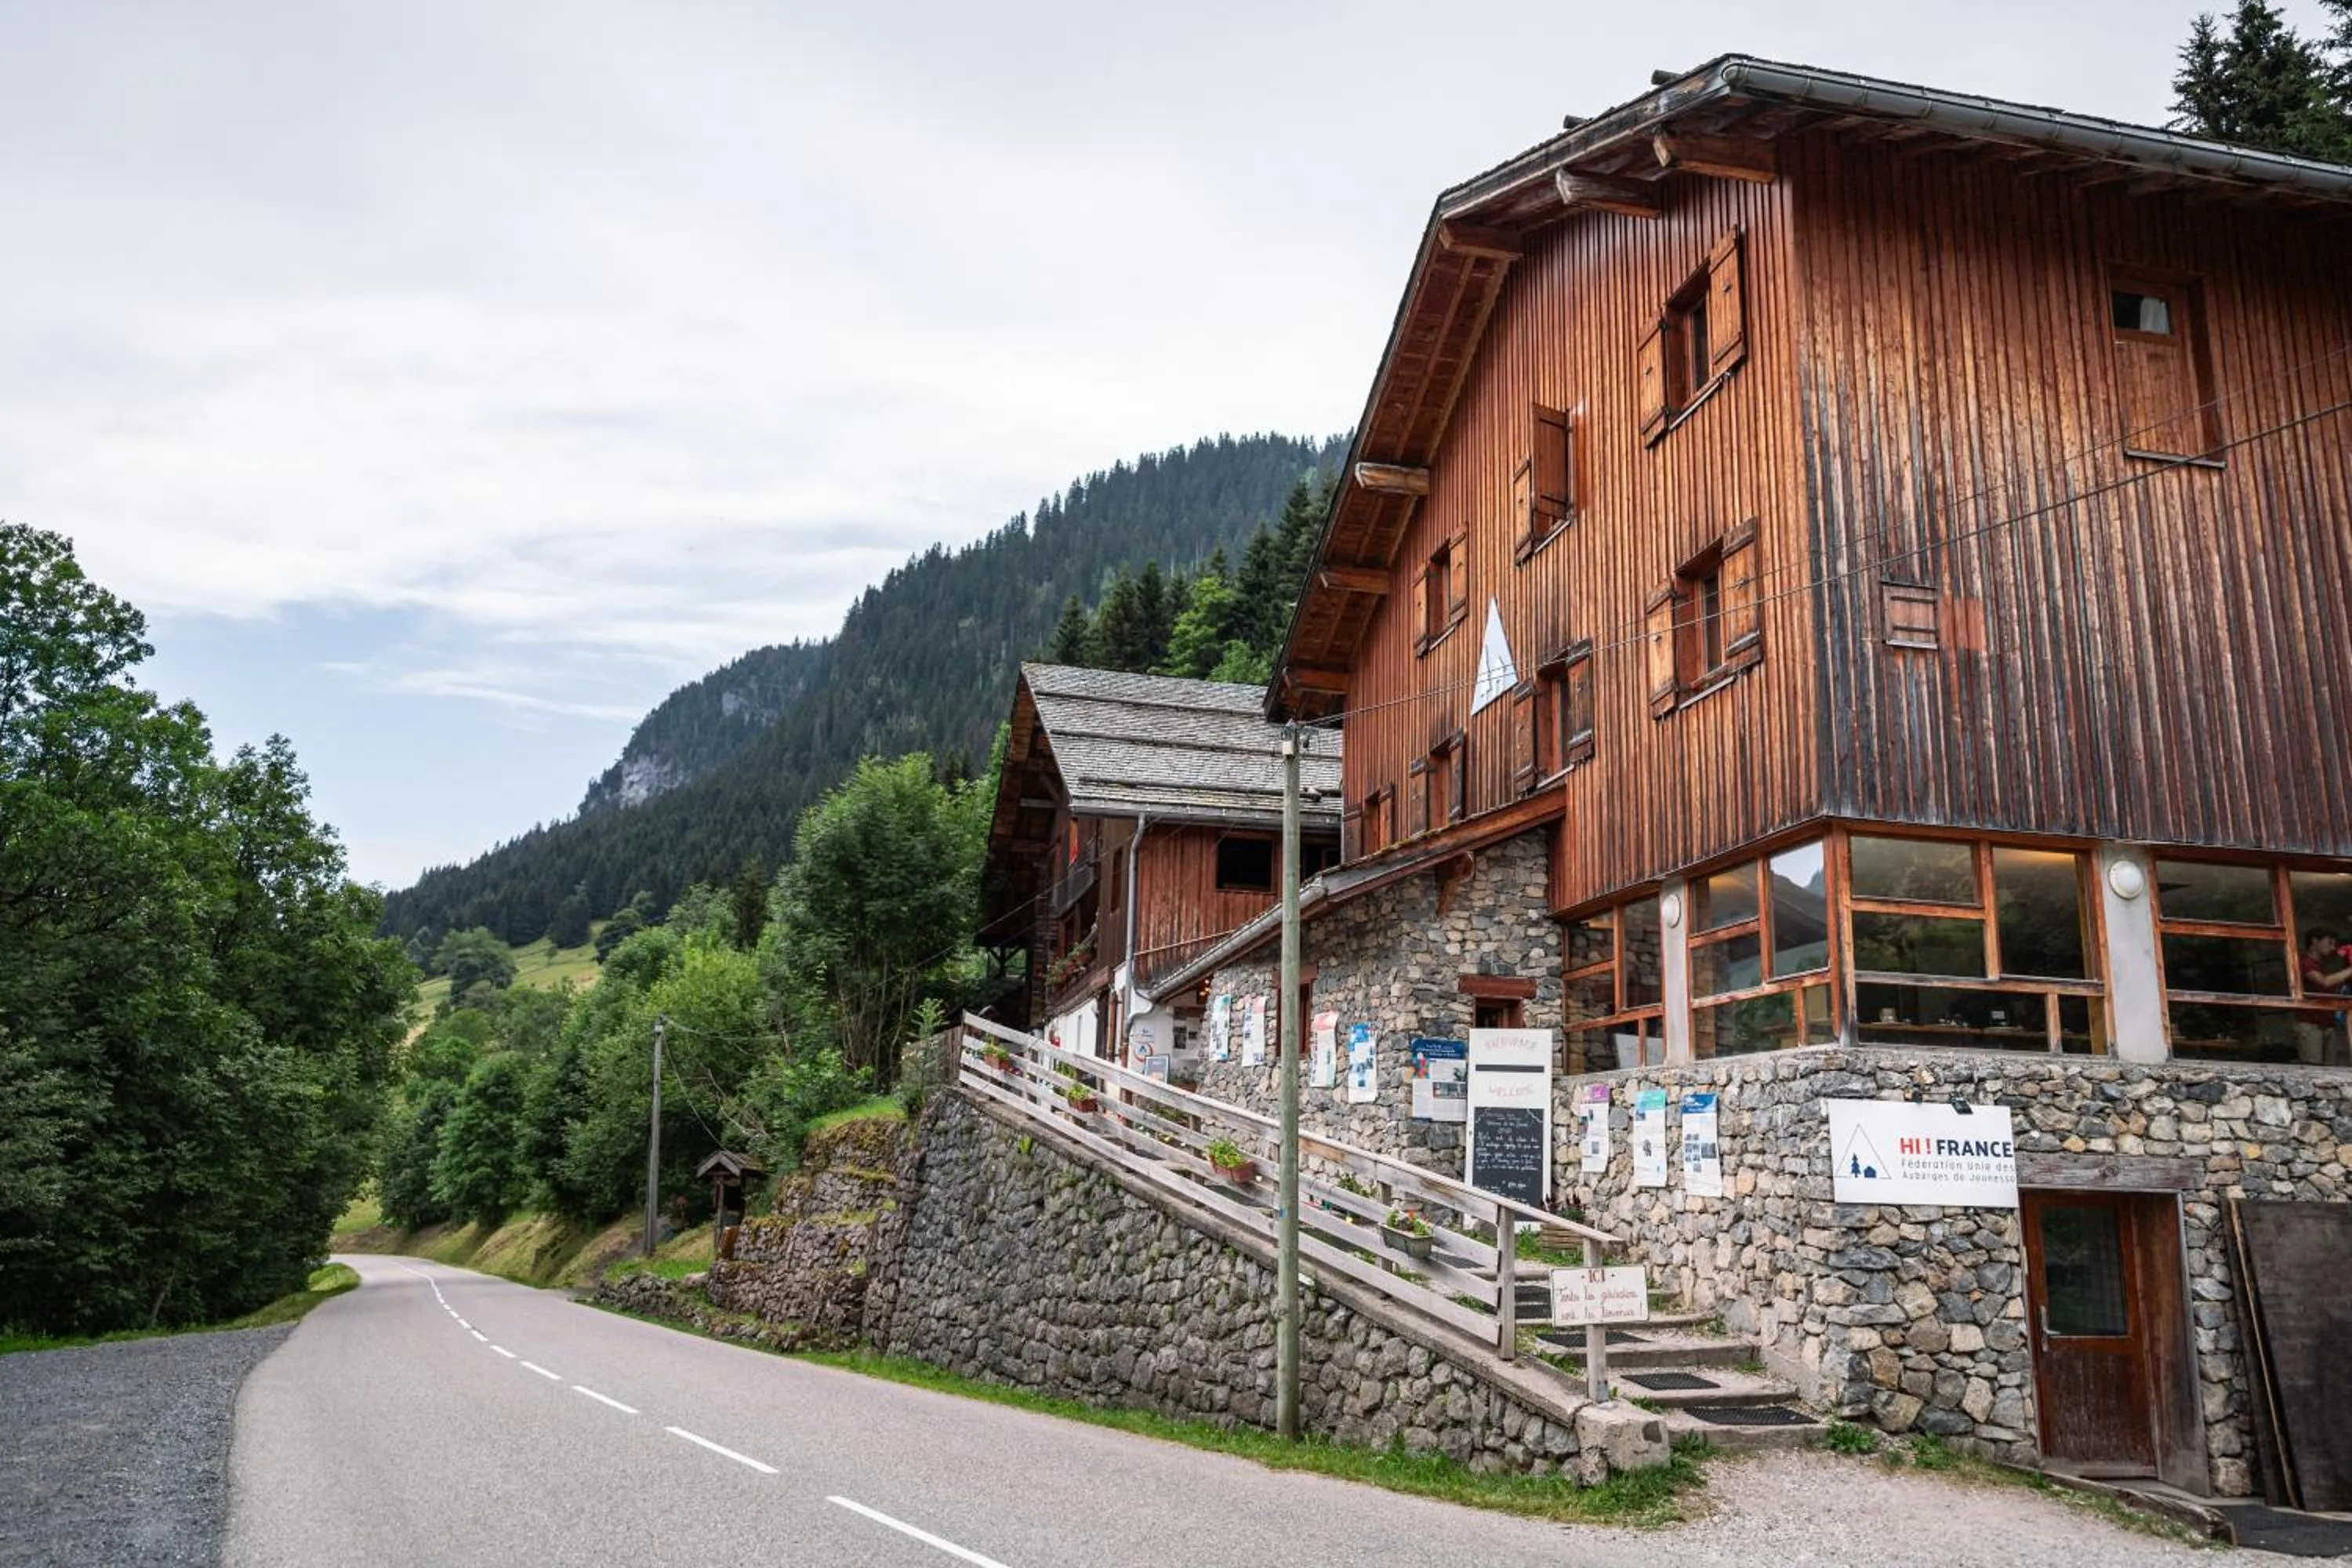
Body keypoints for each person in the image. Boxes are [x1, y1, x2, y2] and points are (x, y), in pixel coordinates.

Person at [2297, 931, 2351, 1065]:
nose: (2333, 948)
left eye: (2335, 945)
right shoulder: (2305, 963)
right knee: (2313, 1069)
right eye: (2329, 943)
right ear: (2315, 941)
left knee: (2331, 1070)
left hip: (2328, 1024)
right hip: (2310, 1024)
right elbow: (2325, 982)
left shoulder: (2324, 966)